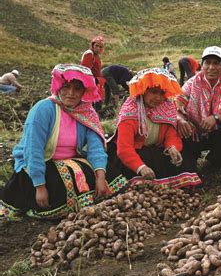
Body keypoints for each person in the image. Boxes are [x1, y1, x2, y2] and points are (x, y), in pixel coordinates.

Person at [0, 64, 127, 220]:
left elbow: (96, 147)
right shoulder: (44, 109)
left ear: (84, 91)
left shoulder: (86, 112)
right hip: (40, 163)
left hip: (69, 161)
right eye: (66, 87)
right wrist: (39, 186)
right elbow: (33, 150)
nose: (71, 93)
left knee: (109, 174)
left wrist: (100, 177)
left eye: (77, 89)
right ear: (58, 86)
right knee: (58, 186)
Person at [107, 68, 202, 188]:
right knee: (145, 157)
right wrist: (141, 167)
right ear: (143, 91)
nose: (158, 98)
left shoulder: (166, 108)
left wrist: (172, 148)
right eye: (153, 92)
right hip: (132, 154)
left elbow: (172, 135)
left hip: (154, 149)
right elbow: (124, 148)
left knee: (180, 154)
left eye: (162, 93)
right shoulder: (130, 113)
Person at [176, 46, 221, 170]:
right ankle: (190, 165)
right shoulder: (191, 84)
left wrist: (216, 118)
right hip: (194, 133)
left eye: (216, 63)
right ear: (202, 66)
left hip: (218, 134)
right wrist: (181, 120)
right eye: (207, 63)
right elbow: (177, 107)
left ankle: (213, 162)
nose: (211, 67)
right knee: (180, 129)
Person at [81, 36, 105, 109]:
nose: (98, 48)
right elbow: (85, 70)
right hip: (91, 81)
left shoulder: (96, 55)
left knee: (97, 101)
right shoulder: (89, 54)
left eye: (100, 47)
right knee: (91, 102)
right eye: (96, 45)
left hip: (96, 81)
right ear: (92, 45)